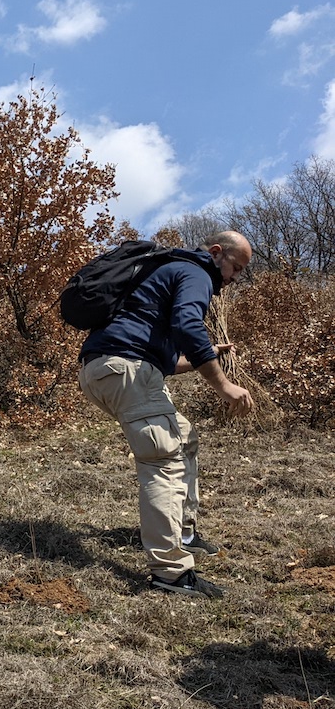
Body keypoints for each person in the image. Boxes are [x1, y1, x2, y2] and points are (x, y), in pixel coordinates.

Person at [78, 231, 255, 599]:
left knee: (184, 436)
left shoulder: (164, 274)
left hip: (105, 370)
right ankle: (171, 573)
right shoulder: (196, 272)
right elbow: (188, 326)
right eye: (236, 268)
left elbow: (163, 363)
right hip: (126, 369)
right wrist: (224, 386)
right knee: (163, 459)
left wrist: (209, 354)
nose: (235, 277)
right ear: (217, 253)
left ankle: (184, 532)